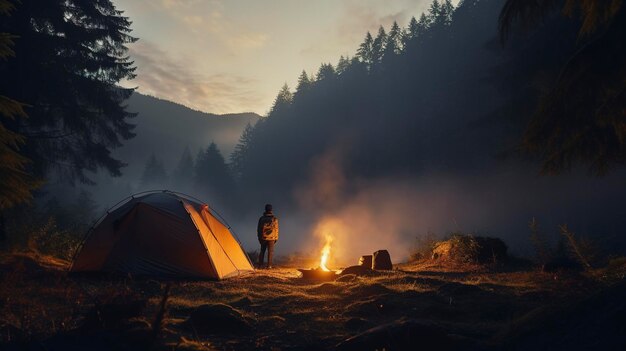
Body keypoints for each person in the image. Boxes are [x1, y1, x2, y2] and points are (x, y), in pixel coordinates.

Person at [257, 203, 279, 268]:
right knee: (270, 252)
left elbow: (259, 229)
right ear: (271, 210)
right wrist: (276, 238)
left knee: (262, 251)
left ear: (265, 209)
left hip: (263, 238)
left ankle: (260, 265)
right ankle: (269, 266)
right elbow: (277, 229)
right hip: (272, 238)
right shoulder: (275, 219)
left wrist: (259, 238)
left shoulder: (261, 219)